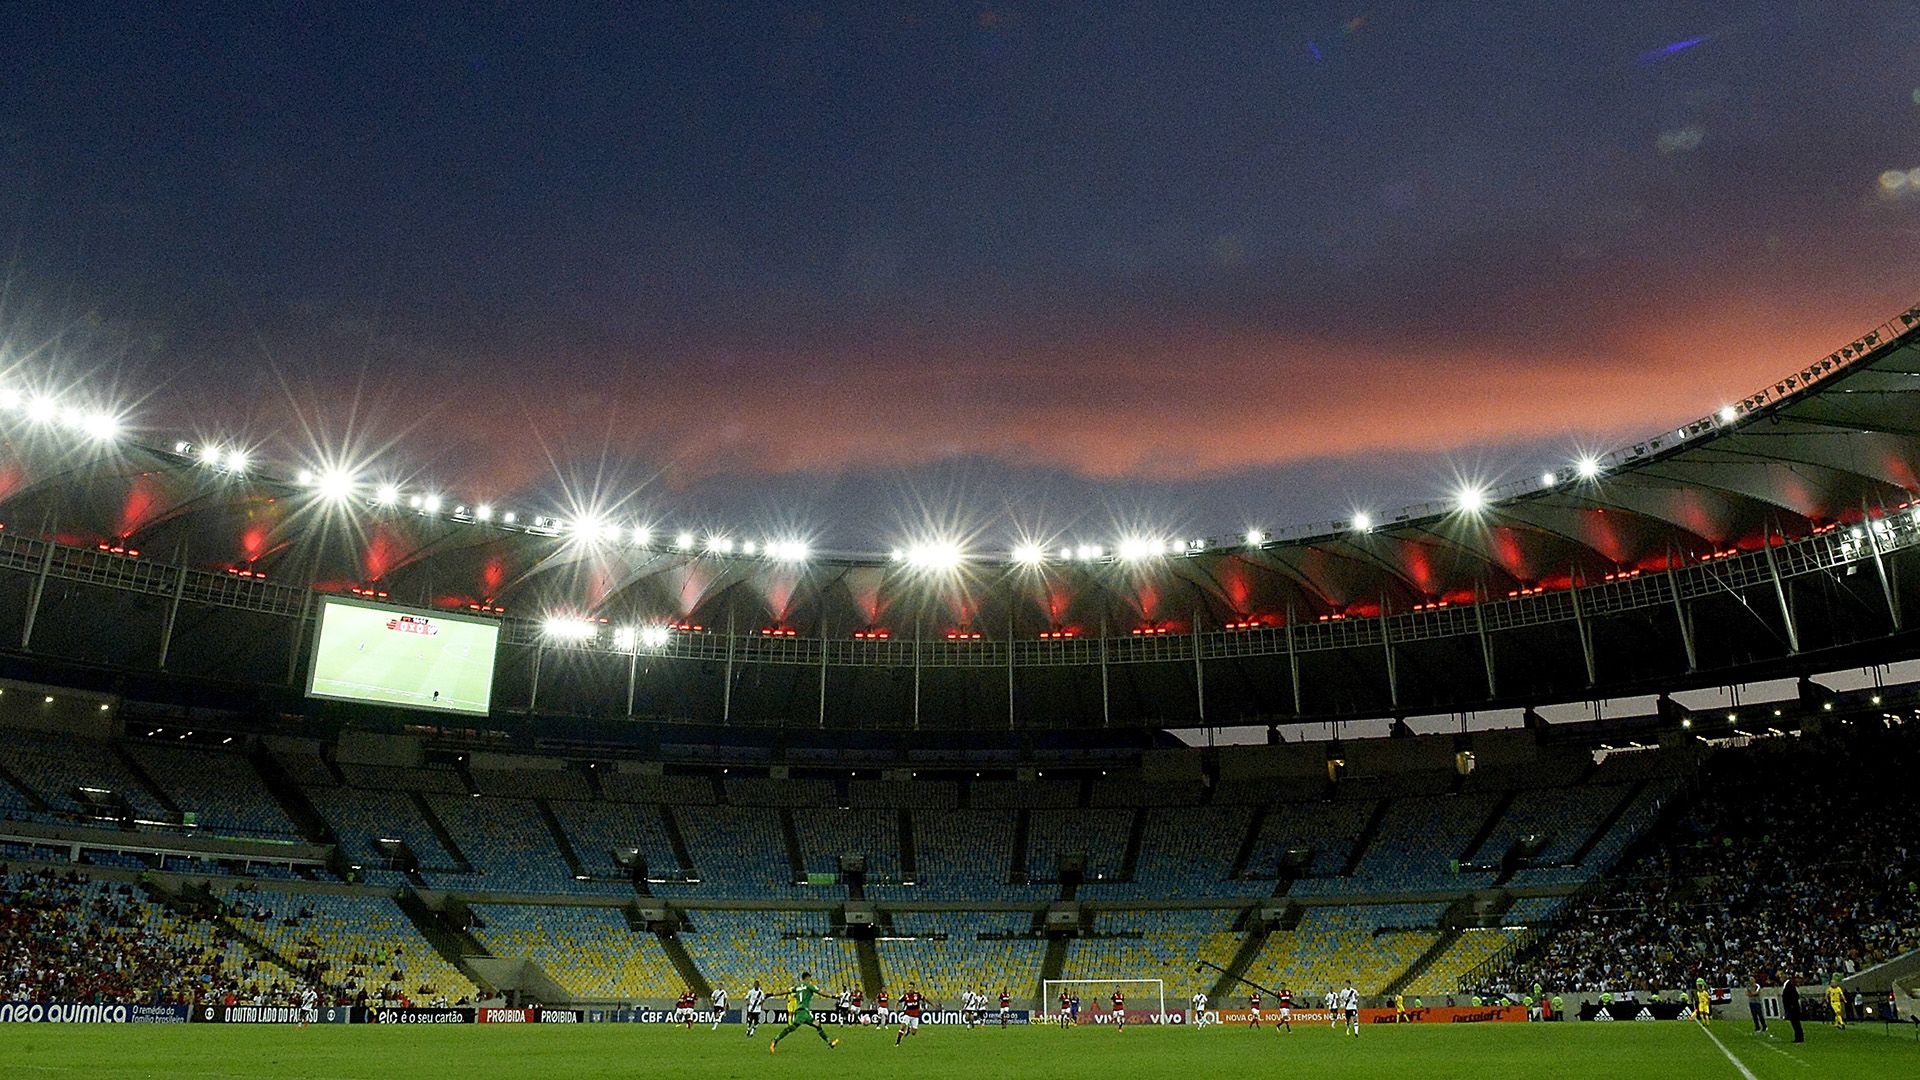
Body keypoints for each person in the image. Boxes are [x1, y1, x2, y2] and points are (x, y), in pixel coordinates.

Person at [770, 972, 838, 1053]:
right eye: (809, 978)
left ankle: (830, 1043)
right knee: (791, 1028)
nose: (810, 980)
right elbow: (822, 993)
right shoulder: (809, 986)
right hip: (802, 1012)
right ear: (807, 978)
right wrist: (833, 996)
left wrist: (772, 994)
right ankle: (775, 1041)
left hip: (803, 1012)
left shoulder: (797, 987)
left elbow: (785, 991)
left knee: (818, 1025)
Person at [1781, 975, 1805, 1043]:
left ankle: (1799, 1038)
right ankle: (1798, 1037)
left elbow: (1793, 996)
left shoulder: (1789, 986)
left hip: (1793, 1008)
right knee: (1795, 1023)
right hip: (1792, 1007)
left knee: (1796, 1023)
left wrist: (1791, 1005)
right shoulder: (1789, 985)